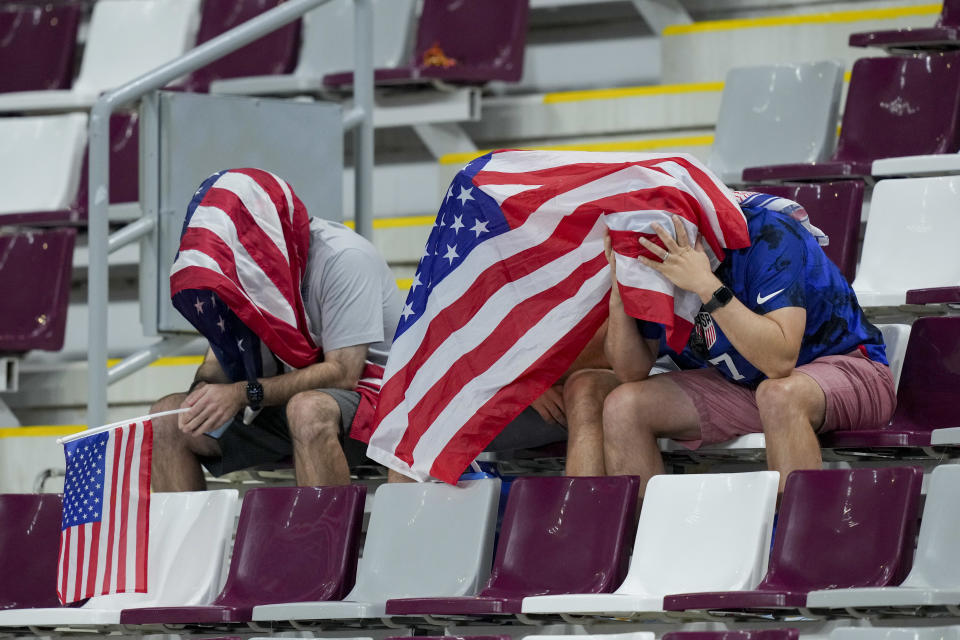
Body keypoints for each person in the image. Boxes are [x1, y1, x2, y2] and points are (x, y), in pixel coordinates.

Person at [574, 193, 895, 493]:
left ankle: (795, 545)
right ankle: (648, 546)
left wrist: (704, 284)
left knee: (780, 395)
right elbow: (631, 371)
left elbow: (779, 361)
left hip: (848, 367)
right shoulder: (653, 252)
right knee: (624, 405)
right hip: (746, 384)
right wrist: (620, 292)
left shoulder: (768, 233)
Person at [151, 170, 402, 491]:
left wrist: (241, 393)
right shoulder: (238, 266)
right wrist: (201, 395)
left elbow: (344, 373)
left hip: (376, 398)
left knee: (308, 409)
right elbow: (217, 360)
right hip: (281, 395)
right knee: (165, 418)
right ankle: (186, 542)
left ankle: (322, 540)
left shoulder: (345, 258)